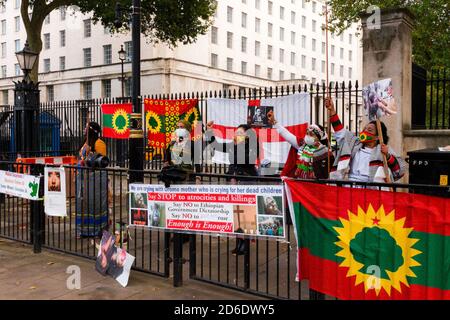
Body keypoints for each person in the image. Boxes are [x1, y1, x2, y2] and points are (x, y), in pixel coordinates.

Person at [205, 121, 259, 255]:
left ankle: (245, 244)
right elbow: (216, 145)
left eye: (240, 133)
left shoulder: (252, 145)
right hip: (234, 182)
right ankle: (239, 242)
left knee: (246, 213)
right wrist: (210, 131)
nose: (237, 134)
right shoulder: (233, 145)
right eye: (236, 133)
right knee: (236, 213)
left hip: (246, 182)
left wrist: (237, 146)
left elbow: (249, 160)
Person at [325, 98, 405, 183]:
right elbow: (340, 132)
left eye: (369, 130)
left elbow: (398, 171)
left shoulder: (383, 150)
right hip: (352, 187)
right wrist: (332, 110)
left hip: (372, 191)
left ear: (377, 137)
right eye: (364, 129)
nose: (365, 131)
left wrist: (388, 156)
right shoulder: (354, 144)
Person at [268, 111, 333, 179]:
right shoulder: (302, 144)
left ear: (318, 137)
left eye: (311, 134)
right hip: (300, 183)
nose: (308, 136)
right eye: (307, 133)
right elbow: (287, 135)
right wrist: (274, 122)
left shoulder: (325, 152)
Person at [76, 121, 109, 238]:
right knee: (83, 204)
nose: (84, 130)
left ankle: (97, 231)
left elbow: (101, 161)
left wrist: (91, 156)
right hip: (83, 178)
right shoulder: (85, 143)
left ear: (91, 131)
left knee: (95, 204)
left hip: (95, 180)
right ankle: (83, 230)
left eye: (86, 128)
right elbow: (80, 157)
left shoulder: (100, 143)